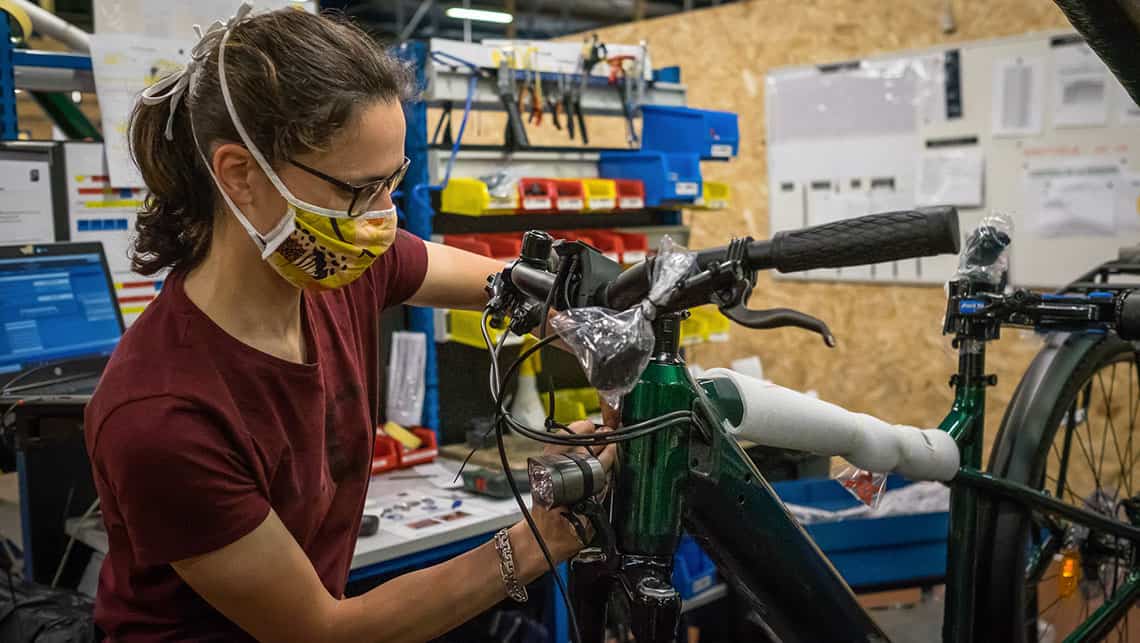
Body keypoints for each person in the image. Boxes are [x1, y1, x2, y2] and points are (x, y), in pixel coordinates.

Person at [84, 4, 613, 641]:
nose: (383, 217)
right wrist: (542, 540)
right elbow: (322, 631)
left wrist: (608, 327)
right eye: (360, 189)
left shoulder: (339, 266)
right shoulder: (162, 414)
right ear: (240, 175)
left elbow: (511, 288)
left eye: (394, 181)